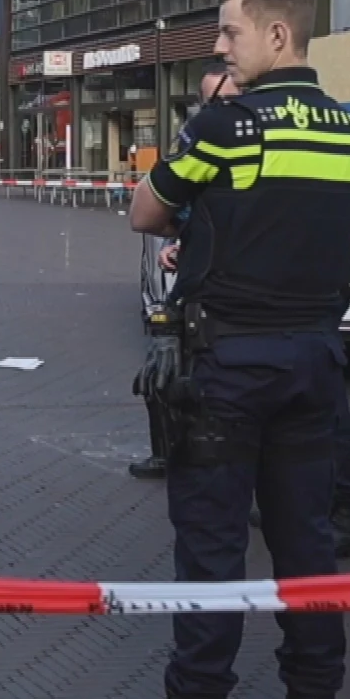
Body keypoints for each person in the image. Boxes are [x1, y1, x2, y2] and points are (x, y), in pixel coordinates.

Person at [130, 0, 350, 699]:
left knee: (212, 550)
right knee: (308, 547)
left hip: (228, 368)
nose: (221, 46)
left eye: (231, 31)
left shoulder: (226, 125)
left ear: (277, 33)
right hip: (314, 364)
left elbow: (145, 211)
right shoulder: (348, 131)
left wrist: (198, 216)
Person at [131, 62, 233, 481]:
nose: (216, 111)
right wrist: (180, 241)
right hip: (198, 289)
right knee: (164, 369)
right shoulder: (199, 148)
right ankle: (169, 453)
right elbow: (160, 212)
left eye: (224, 101)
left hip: (235, 299)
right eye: (210, 102)